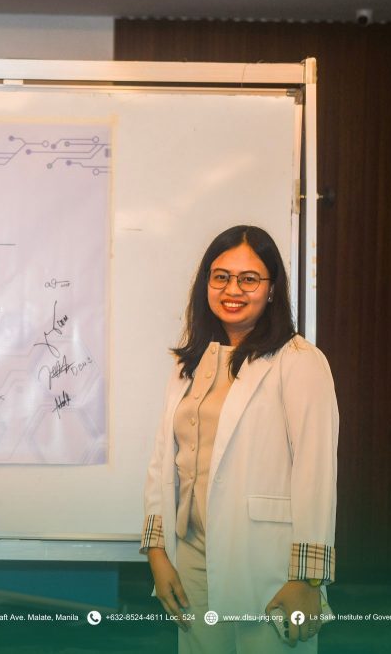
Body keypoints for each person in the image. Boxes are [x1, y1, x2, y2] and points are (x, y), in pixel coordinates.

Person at [141, 225, 338, 653]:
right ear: (206, 284)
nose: (233, 289)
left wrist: (308, 578)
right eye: (221, 276)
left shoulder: (299, 361)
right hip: (190, 555)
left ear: (271, 289)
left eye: (249, 279)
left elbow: (316, 472)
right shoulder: (189, 364)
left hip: (267, 560)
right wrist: (157, 552)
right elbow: (162, 462)